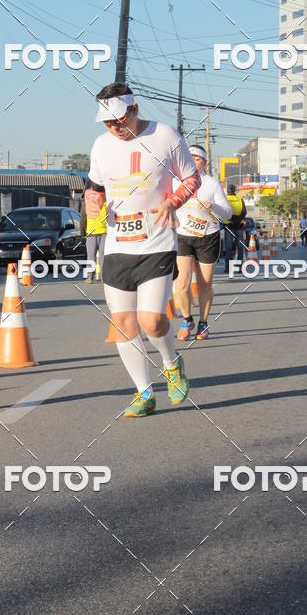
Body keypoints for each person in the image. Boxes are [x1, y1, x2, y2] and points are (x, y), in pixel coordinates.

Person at [85, 82, 200, 418]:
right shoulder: (101, 146)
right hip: (118, 243)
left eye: (119, 120)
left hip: (158, 241)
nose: (114, 127)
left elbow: (190, 178)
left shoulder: (165, 135)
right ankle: (144, 393)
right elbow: (93, 187)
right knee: (123, 323)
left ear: (134, 110)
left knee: (151, 322)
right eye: (107, 122)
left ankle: (171, 363)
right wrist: (93, 203)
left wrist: (172, 201)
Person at [174, 144, 232, 341]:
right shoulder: (176, 181)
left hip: (208, 236)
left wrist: (212, 206)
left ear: (204, 162)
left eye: (197, 159)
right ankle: (186, 319)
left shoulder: (212, 183)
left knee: (204, 284)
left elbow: (227, 213)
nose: (192, 161)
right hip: (182, 236)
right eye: (189, 158)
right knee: (181, 282)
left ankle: (203, 322)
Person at [79, 192, 106, 283]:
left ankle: (90, 277)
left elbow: (83, 218)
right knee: (102, 256)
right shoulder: (106, 202)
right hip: (101, 233)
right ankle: (102, 277)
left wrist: (82, 232)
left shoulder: (87, 203)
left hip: (96, 233)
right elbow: (83, 217)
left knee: (91, 256)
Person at [222, 183, 247, 273]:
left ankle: (228, 268)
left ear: (227, 190)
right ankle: (240, 267)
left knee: (228, 248)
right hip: (239, 226)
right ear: (235, 190)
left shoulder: (224, 199)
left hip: (228, 226)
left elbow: (222, 211)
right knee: (240, 247)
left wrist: (230, 219)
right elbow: (244, 212)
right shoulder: (240, 199)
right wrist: (237, 219)